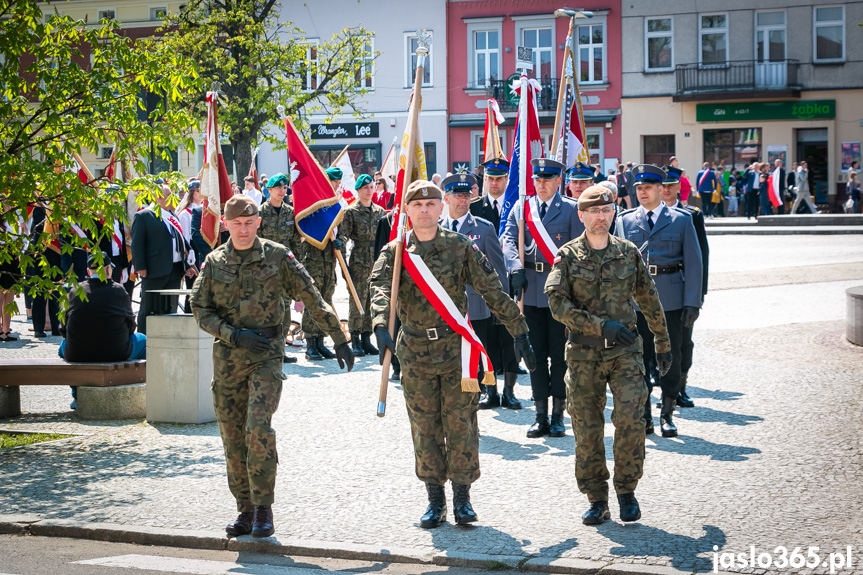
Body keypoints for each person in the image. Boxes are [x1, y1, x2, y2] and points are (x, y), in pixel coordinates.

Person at [370, 179, 535, 529]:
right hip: (413, 351)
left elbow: (491, 289)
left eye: (431, 204)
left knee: (461, 425)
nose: (425, 210)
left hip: (456, 350)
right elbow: (380, 287)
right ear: (408, 211)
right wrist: (380, 322)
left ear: (441, 207)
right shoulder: (396, 252)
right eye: (418, 205)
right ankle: (434, 500)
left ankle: (462, 498)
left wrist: (518, 329)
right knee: (425, 427)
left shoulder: (460, 247)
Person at [191, 195, 354, 539]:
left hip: (266, 353)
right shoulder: (214, 261)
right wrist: (232, 334)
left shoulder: (278, 257)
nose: (244, 229)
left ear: (259, 223)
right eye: (237, 223)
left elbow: (311, 295)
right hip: (228, 359)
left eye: (249, 223)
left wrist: (338, 336)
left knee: (258, 427)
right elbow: (199, 309)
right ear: (226, 225)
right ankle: (245, 510)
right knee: (233, 437)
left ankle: (264, 508)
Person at [546, 186, 671, 526]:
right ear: (581, 215)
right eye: (594, 211)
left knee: (631, 418)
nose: (601, 217)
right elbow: (557, 303)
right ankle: (597, 498)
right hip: (583, 353)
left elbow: (649, 298)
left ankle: (627, 491)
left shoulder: (628, 252)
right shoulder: (567, 256)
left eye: (606, 211)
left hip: (625, 351)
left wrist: (662, 341)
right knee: (587, 427)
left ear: (613, 213)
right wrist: (601, 327)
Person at [614, 164, 702, 437]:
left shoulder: (681, 220)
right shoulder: (625, 221)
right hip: (636, 302)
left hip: (671, 300)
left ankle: (667, 412)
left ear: (659, 189)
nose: (642, 193)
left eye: (647, 188)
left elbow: (694, 264)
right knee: (639, 358)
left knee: (670, 358)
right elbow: (617, 265)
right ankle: (644, 414)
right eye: (638, 188)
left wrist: (692, 303)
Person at [502, 158, 584, 438]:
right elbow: (509, 240)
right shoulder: (522, 207)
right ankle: (540, 415)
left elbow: (578, 251)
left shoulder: (572, 210)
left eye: (547, 179)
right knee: (534, 356)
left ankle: (558, 415)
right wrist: (513, 267)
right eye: (537, 180)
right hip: (530, 290)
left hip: (560, 294)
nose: (541, 184)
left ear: (559, 181)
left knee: (560, 358)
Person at [440, 173, 522, 410]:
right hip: (448, 307)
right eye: (457, 196)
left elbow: (497, 270)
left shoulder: (484, 229)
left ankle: (491, 392)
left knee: (483, 350)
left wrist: (501, 305)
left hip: (478, 306)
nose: (463, 201)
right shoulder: (438, 229)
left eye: (466, 195)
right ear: (446, 198)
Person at [660, 166, 708, 408]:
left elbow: (701, 258)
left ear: (680, 186)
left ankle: (680, 386)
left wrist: (698, 294)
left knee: (683, 342)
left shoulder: (691, 215)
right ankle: (661, 386)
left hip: (682, 290)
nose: (666, 189)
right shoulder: (645, 215)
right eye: (663, 184)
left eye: (671, 184)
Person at [131, 185, 198, 334]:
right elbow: (137, 243)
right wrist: (140, 266)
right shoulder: (144, 216)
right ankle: (144, 339)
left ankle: (167, 336)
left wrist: (187, 264)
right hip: (154, 269)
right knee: (148, 307)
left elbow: (180, 242)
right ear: (157, 197)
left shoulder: (172, 216)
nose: (172, 200)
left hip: (174, 269)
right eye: (168, 196)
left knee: (170, 307)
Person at [257, 173, 304, 364]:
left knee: (284, 308)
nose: (282, 191)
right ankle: (264, 349)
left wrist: (297, 266)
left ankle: (280, 349)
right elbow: (255, 241)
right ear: (269, 190)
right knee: (266, 309)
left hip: (284, 267)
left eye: (285, 188)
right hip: (266, 268)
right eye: (278, 188)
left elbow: (295, 242)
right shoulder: (260, 212)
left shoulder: (289, 212)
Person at [338, 173, 385, 357]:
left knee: (372, 301)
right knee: (357, 300)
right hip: (358, 260)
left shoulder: (380, 211)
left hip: (376, 260)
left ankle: (367, 338)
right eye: (365, 188)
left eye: (371, 187)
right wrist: (343, 265)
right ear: (358, 190)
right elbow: (343, 237)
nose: (369, 190)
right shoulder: (351, 212)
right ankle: (355, 339)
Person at [299, 166, 344, 361]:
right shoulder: (316, 203)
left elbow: (338, 228)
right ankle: (310, 342)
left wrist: (339, 239)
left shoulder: (336, 203)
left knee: (326, 300)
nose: (336, 185)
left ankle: (320, 340)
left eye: (338, 182)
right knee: (313, 300)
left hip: (329, 260)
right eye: (334, 182)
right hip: (314, 258)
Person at [470, 158, 509, 231]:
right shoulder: (473, 206)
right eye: (491, 178)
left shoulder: (513, 206)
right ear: (485, 179)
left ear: (506, 179)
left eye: (498, 179)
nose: (494, 183)